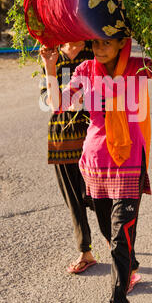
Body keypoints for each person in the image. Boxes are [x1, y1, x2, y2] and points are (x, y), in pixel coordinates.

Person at [40, 25, 152, 303]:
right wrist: (50, 68)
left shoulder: (137, 67)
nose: (100, 48)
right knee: (108, 230)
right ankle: (129, 267)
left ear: (121, 44)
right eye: (96, 42)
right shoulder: (85, 69)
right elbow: (57, 104)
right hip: (95, 163)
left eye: (107, 43)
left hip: (130, 161)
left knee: (120, 234)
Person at [40, 40, 97, 274]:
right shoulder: (52, 54)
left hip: (93, 135)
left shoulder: (95, 49)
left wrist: (85, 99)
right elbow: (47, 99)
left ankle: (116, 241)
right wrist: (49, 65)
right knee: (74, 200)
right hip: (62, 137)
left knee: (98, 196)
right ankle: (85, 251)